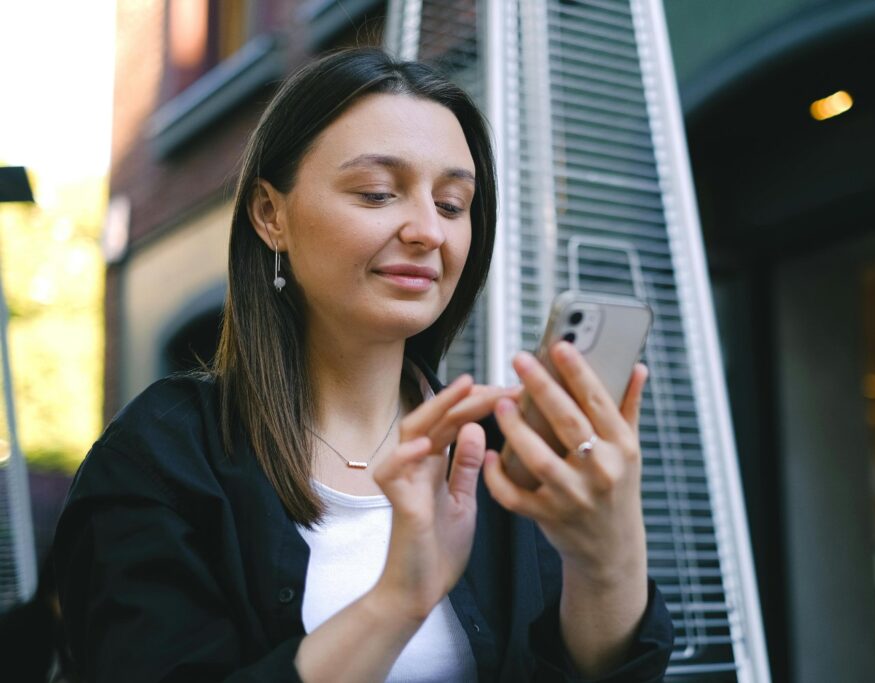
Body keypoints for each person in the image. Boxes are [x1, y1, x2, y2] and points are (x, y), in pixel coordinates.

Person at [52, 47, 673, 682]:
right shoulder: (162, 455)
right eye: (377, 194)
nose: (428, 231)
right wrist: (395, 602)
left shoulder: (498, 456)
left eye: (452, 204)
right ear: (270, 215)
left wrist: (609, 558)